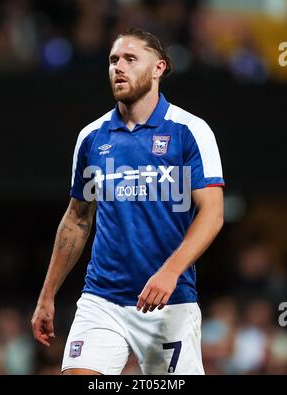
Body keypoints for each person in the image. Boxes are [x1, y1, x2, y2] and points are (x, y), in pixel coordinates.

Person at [31, 28, 224, 375]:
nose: (118, 67)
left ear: (158, 68)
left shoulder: (189, 131)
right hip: (102, 299)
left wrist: (169, 272)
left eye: (130, 59)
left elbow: (212, 213)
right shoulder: (92, 138)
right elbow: (77, 219)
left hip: (170, 302)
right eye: (113, 60)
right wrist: (47, 295)